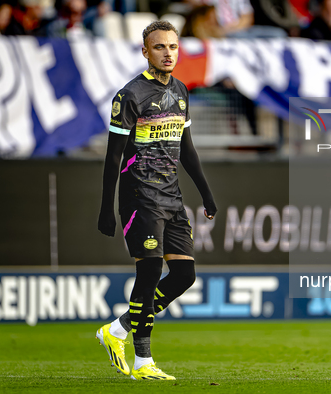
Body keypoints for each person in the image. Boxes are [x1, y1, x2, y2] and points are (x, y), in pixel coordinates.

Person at [96, 20, 217, 381]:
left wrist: (207, 193)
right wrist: (107, 209)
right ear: (145, 51)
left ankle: (116, 330)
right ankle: (143, 361)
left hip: (171, 196)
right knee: (148, 270)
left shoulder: (181, 90)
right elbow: (112, 157)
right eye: (160, 47)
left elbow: (187, 150)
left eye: (173, 47)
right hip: (139, 195)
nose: (168, 53)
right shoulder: (130, 96)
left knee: (183, 274)